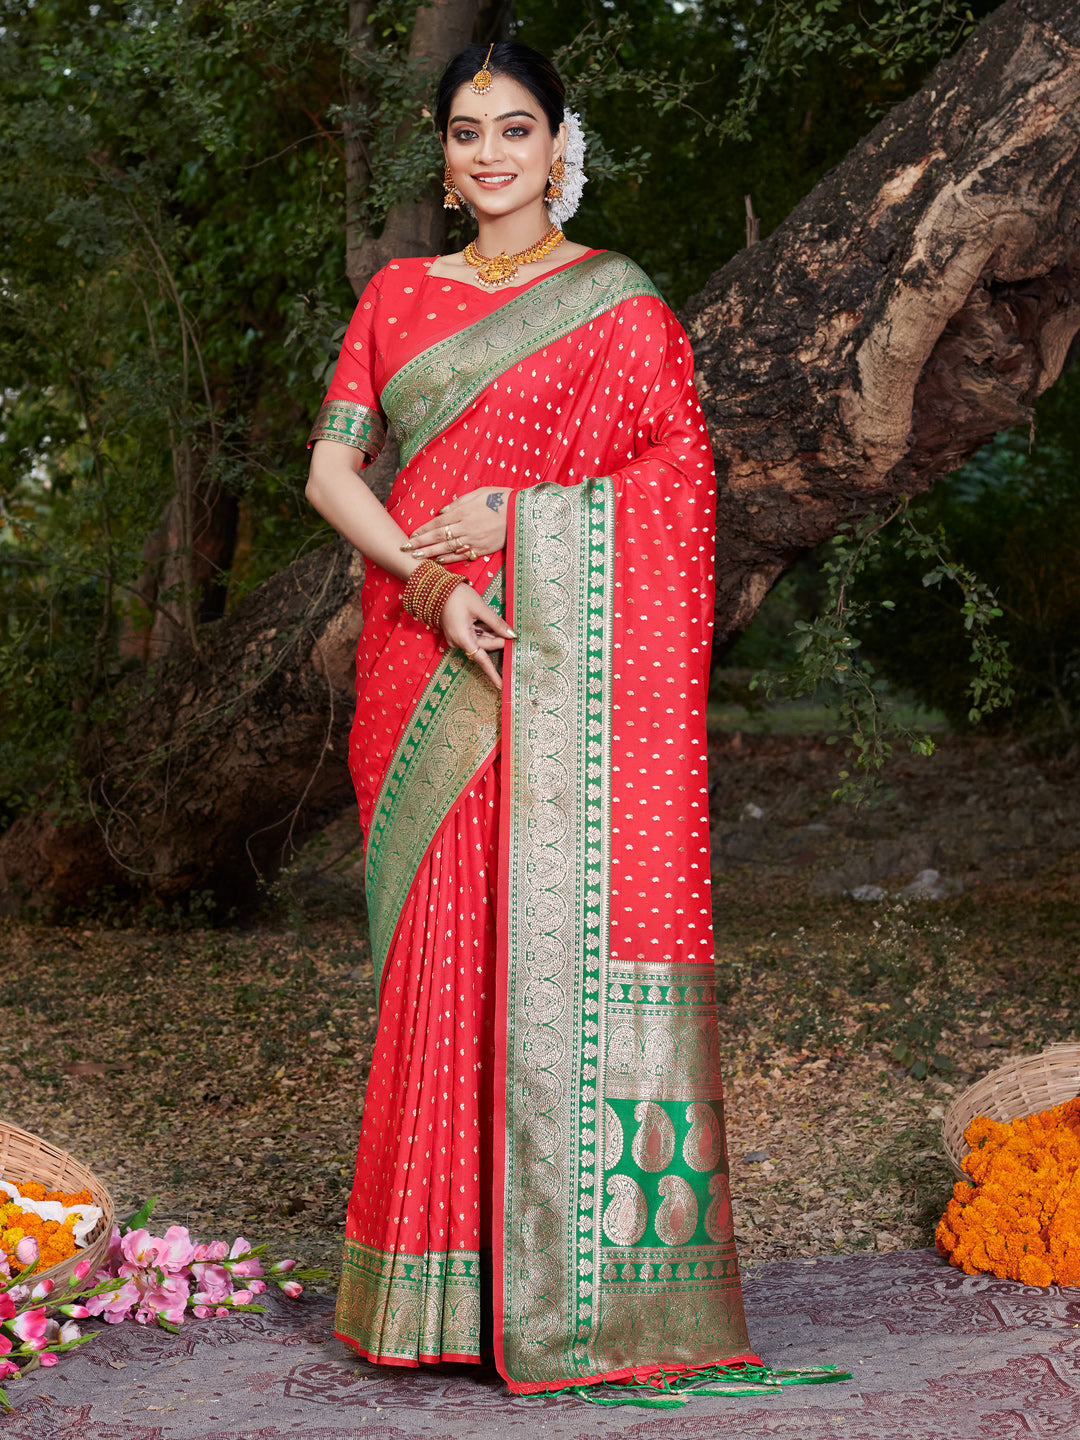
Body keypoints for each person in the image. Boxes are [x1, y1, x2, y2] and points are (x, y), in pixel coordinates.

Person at [306, 39, 837, 1404]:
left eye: (518, 128)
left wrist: (529, 526)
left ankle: (573, 1293)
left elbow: (683, 494)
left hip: (561, 669)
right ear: (445, 153)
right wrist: (431, 584)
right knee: (440, 952)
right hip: (425, 665)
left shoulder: (621, 306)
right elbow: (331, 472)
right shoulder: (398, 297)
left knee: (552, 945)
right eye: (469, 131)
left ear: (559, 145)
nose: (492, 153)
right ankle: (435, 1294)